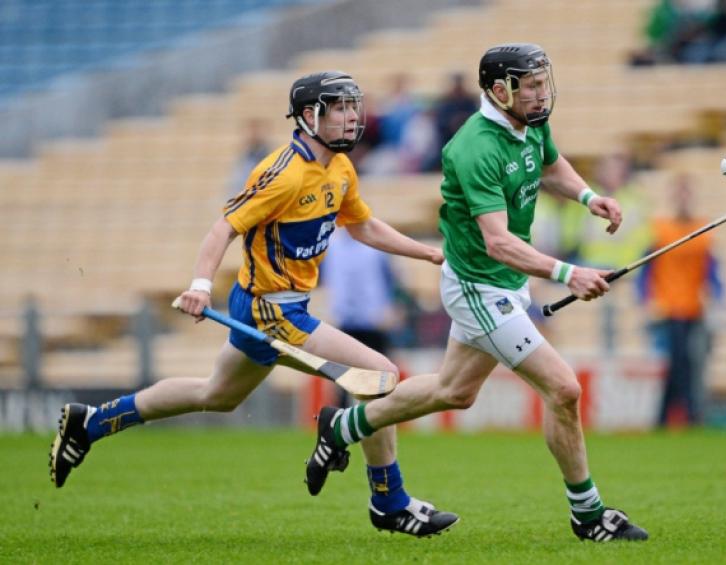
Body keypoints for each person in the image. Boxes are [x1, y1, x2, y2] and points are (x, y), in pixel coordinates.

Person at [49, 71, 459, 538]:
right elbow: (223, 228)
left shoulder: (340, 168)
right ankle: (389, 501)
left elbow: (362, 225)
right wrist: (201, 284)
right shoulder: (282, 172)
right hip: (271, 308)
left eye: (352, 106)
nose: (351, 117)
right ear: (309, 116)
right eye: (339, 108)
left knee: (217, 395)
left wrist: (425, 251)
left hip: (279, 305)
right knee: (380, 378)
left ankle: (92, 423)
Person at [305, 44, 649, 542]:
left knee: (454, 391)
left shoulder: (529, 121)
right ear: (498, 89)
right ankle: (589, 514)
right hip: (479, 288)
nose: (540, 93)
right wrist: (566, 272)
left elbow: (551, 166)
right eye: (529, 85)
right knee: (565, 390)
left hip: (501, 283)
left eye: (541, 82)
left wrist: (590, 197)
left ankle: (343, 428)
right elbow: (499, 241)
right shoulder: (474, 147)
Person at [637, 174, 723, 426]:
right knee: (672, 364)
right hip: (665, 309)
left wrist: (717, 298)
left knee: (689, 364)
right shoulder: (660, 229)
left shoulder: (703, 230)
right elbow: (645, 270)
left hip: (693, 308)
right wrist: (646, 300)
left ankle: (682, 415)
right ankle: (670, 415)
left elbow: (712, 271)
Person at [320, 228, 401, 407]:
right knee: (341, 377)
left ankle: (378, 417)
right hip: (343, 319)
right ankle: (339, 422)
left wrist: (389, 307)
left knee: (379, 375)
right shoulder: (330, 245)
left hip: (373, 320)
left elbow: (391, 279)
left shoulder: (375, 246)